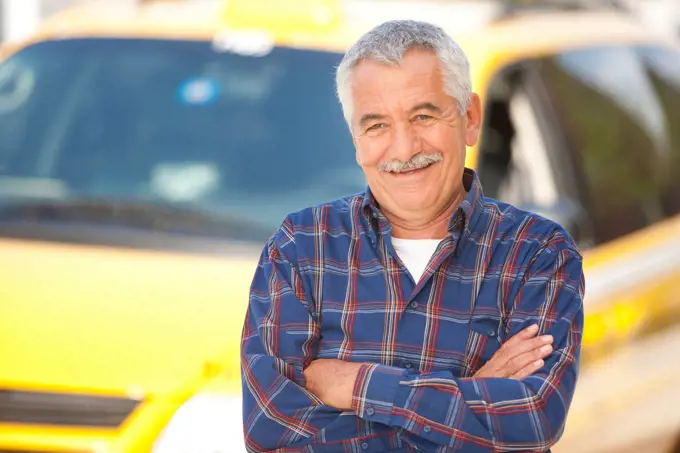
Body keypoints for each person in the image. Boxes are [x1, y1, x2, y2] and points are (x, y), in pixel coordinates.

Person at [241, 19, 584, 452]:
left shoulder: (537, 253)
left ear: (470, 118)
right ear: (356, 138)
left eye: (423, 115)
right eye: (377, 125)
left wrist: (357, 383)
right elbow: (270, 434)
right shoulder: (301, 247)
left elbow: (534, 418)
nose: (403, 149)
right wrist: (468, 395)